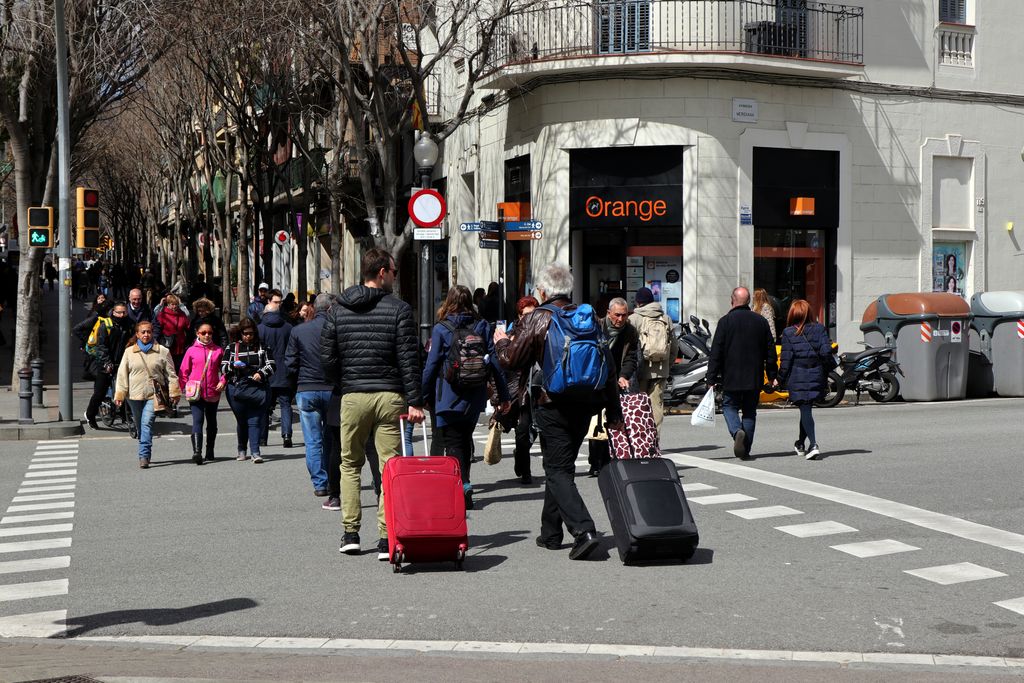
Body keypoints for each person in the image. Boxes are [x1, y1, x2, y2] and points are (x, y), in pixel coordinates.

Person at [494, 263, 622, 561]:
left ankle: (584, 530)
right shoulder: (587, 317)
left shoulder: (539, 318)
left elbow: (511, 360)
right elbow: (610, 368)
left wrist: (501, 339)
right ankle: (550, 533)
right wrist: (614, 411)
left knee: (557, 471)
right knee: (560, 466)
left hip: (552, 403)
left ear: (542, 291)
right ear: (569, 289)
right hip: (586, 403)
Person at [320, 248, 424, 560]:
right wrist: (415, 401)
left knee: (349, 464)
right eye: (393, 271)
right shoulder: (400, 309)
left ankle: (351, 533)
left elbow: (327, 357)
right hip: (390, 395)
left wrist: (344, 382)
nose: (394, 276)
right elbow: (409, 359)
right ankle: (385, 537)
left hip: (353, 395)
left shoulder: (338, 309)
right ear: (382, 273)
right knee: (388, 466)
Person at [423, 286, 510, 510]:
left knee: (453, 444)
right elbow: (494, 364)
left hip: (448, 395)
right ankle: (466, 485)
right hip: (475, 394)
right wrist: (504, 395)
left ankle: (461, 488)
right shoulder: (481, 325)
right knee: (464, 440)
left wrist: (421, 395)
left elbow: (431, 365)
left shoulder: (441, 328)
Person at [706, 286, 778, 460]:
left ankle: (737, 431)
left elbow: (716, 352)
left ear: (732, 300)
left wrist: (711, 377)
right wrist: (772, 375)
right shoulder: (760, 321)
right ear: (748, 302)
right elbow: (770, 351)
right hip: (754, 377)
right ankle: (745, 449)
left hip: (731, 376)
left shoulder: (725, 322)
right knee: (749, 412)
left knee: (729, 406)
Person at [286, 293, 338, 502]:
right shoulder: (336, 329)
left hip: (306, 388)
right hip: (332, 389)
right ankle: (331, 478)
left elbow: (290, 363)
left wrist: (295, 383)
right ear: (331, 310)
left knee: (312, 440)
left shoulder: (299, 330)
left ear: (315, 309)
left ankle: (320, 483)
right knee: (331, 439)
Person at [114, 320, 181, 468]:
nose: (146, 334)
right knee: (140, 425)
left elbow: (171, 374)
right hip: (134, 395)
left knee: (146, 423)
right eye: (143, 332)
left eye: (149, 331)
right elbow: (122, 375)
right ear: (137, 334)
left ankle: (144, 455)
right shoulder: (129, 352)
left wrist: (174, 392)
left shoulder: (162, 351)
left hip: (154, 396)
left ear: (153, 333)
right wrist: (120, 394)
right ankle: (144, 442)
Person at [588, 297, 638, 476]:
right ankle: (595, 462)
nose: (621, 319)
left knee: (613, 419)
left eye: (624, 315)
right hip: (597, 379)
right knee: (596, 423)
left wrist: (624, 376)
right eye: (617, 315)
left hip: (616, 381)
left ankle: (608, 460)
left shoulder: (631, 331)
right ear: (609, 313)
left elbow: (632, 357)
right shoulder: (596, 327)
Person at [776, 299, 830, 461]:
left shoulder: (788, 333)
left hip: (797, 375)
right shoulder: (820, 329)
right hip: (816, 372)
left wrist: (779, 379)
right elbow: (826, 353)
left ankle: (813, 444)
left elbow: (786, 360)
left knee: (805, 408)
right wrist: (826, 371)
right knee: (806, 408)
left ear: (793, 314)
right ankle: (800, 443)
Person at [222, 318, 275, 462]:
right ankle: (241, 449)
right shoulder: (232, 348)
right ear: (240, 333)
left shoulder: (263, 347)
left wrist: (261, 373)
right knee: (242, 421)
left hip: (258, 389)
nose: (248, 336)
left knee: (254, 420)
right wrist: (233, 366)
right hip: (236, 389)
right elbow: (223, 367)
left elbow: (271, 365)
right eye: (245, 334)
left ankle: (255, 452)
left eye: (251, 333)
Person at [628, 286, 678, 438]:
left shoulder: (634, 319)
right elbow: (674, 346)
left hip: (640, 370)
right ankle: (654, 441)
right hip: (661, 369)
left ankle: (640, 439)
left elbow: (628, 346)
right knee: (656, 405)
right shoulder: (666, 318)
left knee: (639, 405)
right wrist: (668, 366)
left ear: (638, 303)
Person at [179, 322, 227, 464]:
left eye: (209, 333)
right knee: (197, 421)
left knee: (212, 422)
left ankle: (210, 450)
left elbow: (225, 370)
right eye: (203, 333)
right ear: (197, 333)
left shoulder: (218, 350)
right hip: (195, 392)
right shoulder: (191, 351)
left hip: (213, 391)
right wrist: (183, 386)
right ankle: (197, 451)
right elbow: (183, 371)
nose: (207, 335)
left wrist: (223, 381)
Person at [84, 302, 133, 430]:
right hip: (105, 364)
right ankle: (90, 415)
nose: (121, 315)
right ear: (113, 312)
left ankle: (125, 415)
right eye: (119, 312)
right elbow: (102, 347)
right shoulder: (106, 325)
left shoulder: (129, 324)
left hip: (122, 362)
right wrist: (106, 362)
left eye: (124, 312)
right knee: (99, 393)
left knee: (124, 390)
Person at [258, 289, 295, 448]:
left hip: (267, 371)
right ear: (269, 302)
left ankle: (262, 438)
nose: (279, 305)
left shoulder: (260, 328)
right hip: (284, 369)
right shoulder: (288, 327)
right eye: (276, 302)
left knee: (265, 406)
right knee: (286, 404)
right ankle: (287, 435)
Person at [153, 293, 190, 370]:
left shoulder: (182, 314)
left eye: (176, 304)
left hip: (180, 345)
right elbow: (157, 329)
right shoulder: (162, 314)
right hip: (167, 344)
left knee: (179, 367)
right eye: (172, 304)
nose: (174, 306)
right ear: (168, 304)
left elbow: (187, 326)